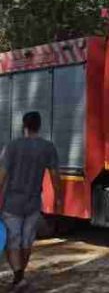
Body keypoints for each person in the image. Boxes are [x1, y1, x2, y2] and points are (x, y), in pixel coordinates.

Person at [0, 111, 62, 290]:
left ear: (24, 126)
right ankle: (20, 277)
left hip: (12, 204)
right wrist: (58, 198)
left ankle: (18, 277)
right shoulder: (48, 147)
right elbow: (55, 176)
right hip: (34, 203)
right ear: (39, 125)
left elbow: (2, 177)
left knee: (13, 241)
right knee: (27, 242)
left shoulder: (12, 146)